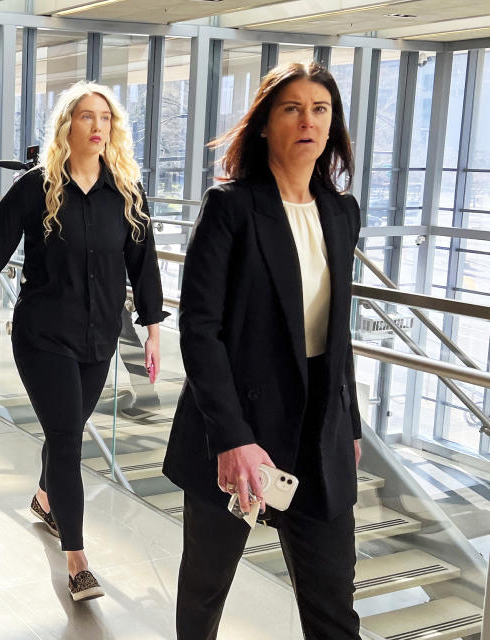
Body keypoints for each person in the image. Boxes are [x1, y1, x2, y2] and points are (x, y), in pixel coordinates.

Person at [162, 61, 362, 639]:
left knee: (333, 607)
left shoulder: (341, 212)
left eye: (320, 109)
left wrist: (349, 424)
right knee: (205, 590)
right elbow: (199, 331)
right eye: (292, 108)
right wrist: (232, 437)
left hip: (318, 430)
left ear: (333, 126)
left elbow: (337, 337)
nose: (308, 120)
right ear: (266, 124)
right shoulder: (231, 207)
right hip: (238, 425)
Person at [0, 81, 166, 601]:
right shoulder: (37, 186)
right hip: (43, 335)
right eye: (86, 117)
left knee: (66, 428)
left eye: (106, 118)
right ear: (67, 126)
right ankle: (77, 558)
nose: (97, 126)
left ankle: (47, 498)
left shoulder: (126, 191)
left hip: (100, 337)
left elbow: (144, 264)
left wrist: (153, 329)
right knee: (68, 437)